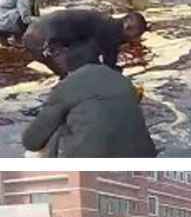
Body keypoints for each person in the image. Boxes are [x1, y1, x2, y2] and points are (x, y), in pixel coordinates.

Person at [23, 40, 156, 158]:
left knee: (46, 138)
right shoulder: (124, 81)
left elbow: (31, 141)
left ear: (69, 63)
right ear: (99, 59)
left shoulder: (68, 85)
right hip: (144, 157)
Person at [21, 8, 148, 78]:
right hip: (43, 37)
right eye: (136, 35)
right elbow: (110, 65)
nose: (135, 39)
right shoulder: (112, 31)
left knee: (69, 75)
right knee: (85, 68)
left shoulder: (104, 23)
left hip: (34, 33)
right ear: (127, 26)